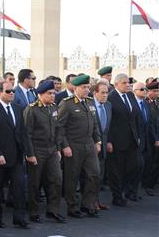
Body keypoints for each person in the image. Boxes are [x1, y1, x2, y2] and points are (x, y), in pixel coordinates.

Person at [0, 81, 36, 229]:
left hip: (16, 156)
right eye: (8, 91)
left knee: (19, 187)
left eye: (13, 91)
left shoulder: (18, 109)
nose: (12, 93)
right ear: (0, 92)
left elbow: (23, 133)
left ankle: (19, 218)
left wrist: (29, 153)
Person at [57, 74, 102, 218]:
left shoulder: (89, 102)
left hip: (89, 145)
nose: (86, 90)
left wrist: (98, 141)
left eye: (88, 87)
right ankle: (72, 207)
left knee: (94, 174)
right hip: (73, 145)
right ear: (75, 88)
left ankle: (88, 204)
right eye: (83, 87)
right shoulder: (67, 103)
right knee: (72, 177)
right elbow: (60, 127)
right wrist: (65, 146)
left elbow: (94, 124)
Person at [24, 80, 66, 224]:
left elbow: (57, 130)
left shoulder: (53, 107)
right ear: (40, 94)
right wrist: (30, 154)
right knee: (35, 182)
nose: (53, 96)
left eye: (54, 93)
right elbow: (27, 134)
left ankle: (53, 211)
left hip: (52, 149)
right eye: (50, 93)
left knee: (56, 179)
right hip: (37, 149)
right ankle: (33, 212)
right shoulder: (32, 109)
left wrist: (58, 149)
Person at [107, 73, 141, 207]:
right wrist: (108, 141)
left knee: (136, 165)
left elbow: (134, 117)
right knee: (116, 170)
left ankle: (127, 190)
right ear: (116, 85)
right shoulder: (111, 98)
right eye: (124, 83)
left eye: (128, 83)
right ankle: (117, 196)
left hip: (132, 139)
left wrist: (137, 136)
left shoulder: (131, 95)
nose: (127, 85)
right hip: (116, 141)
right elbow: (108, 122)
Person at [126, 82, 152, 201]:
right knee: (135, 167)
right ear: (135, 91)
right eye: (141, 89)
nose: (144, 91)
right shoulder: (132, 104)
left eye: (145, 89)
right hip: (136, 141)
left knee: (141, 167)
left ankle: (134, 191)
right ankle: (129, 191)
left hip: (145, 141)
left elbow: (148, 123)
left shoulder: (146, 104)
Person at [92, 81, 112, 210]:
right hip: (91, 146)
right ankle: (89, 202)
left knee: (99, 175)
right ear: (95, 93)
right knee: (91, 175)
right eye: (102, 93)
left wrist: (108, 141)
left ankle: (96, 201)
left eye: (107, 93)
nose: (105, 95)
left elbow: (108, 128)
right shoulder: (89, 104)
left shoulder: (108, 105)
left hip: (103, 146)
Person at [142, 80, 159, 196]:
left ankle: (151, 183)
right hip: (151, 138)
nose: (157, 93)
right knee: (152, 162)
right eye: (155, 91)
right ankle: (147, 185)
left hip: (156, 136)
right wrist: (156, 138)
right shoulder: (146, 103)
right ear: (149, 92)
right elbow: (150, 124)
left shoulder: (155, 102)